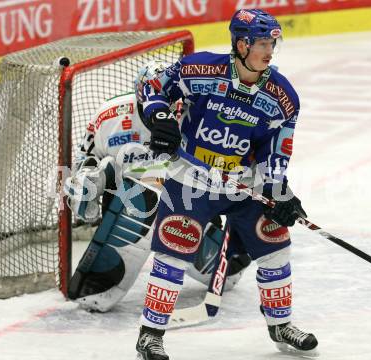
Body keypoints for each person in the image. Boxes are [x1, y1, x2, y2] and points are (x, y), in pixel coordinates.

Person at [135, 8, 318, 360]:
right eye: (263, 43)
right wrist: (160, 117)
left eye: (272, 43)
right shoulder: (199, 68)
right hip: (191, 178)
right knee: (172, 253)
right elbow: (151, 85)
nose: (270, 50)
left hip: (243, 184)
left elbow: (276, 149)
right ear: (241, 43)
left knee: (275, 245)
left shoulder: (283, 97)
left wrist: (277, 189)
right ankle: (150, 335)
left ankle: (280, 326)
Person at [63, 62, 250, 312]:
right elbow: (83, 165)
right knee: (93, 292)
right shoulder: (111, 116)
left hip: (186, 206)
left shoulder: (199, 117)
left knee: (230, 272)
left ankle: (214, 253)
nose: (170, 110)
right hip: (128, 205)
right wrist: (85, 185)